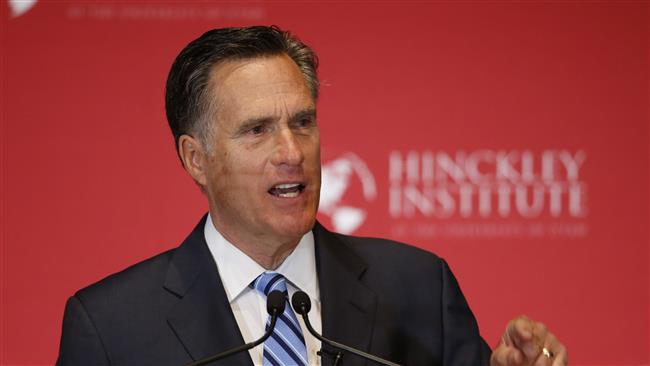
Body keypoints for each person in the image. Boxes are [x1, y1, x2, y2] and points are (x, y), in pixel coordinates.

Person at [56, 26, 568, 366]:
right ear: (196, 159)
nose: (291, 151)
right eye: (257, 130)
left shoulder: (416, 289)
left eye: (302, 122)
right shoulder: (111, 328)